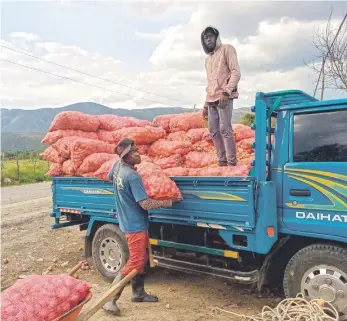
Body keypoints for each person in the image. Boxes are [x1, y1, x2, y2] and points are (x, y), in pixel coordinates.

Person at [103, 138, 176, 316]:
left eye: (137, 150)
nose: (138, 153)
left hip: (127, 221)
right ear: (125, 156)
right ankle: (110, 300)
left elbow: (109, 177)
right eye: (133, 152)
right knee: (135, 262)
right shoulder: (132, 176)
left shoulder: (117, 167)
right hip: (135, 225)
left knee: (140, 259)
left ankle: (138, 293)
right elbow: (145, 204)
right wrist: (168, 202)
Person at [201, 26, 241, 167]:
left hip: (224, 97)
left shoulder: (227, 49)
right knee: (213, 131)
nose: (208, 40)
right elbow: (210, 82)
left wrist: (227, 92)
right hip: (211, 98)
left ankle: (231, 163)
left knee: (225, 129)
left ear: (217, 37)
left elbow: (236, 72)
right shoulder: (208, 60)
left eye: (211, 36)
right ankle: (222, 161)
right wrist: (206, 104)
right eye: (206, 38)